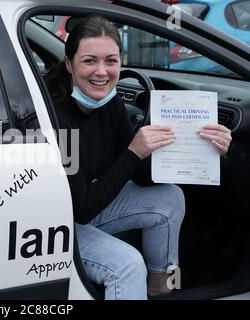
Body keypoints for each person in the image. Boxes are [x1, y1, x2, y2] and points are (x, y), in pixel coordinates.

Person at [45, 15, 232, 299]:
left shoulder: (109, 102)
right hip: (57, 220)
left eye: (111, 60)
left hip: (90, 205)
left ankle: (161, 285)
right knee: (128, 264)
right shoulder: (55, 115)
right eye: (89, 61)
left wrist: (208, 149)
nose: (102, 72)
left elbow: (139, 176)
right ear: (69, 64)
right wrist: (134, 152)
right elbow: (81, 209)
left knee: (169, 197)